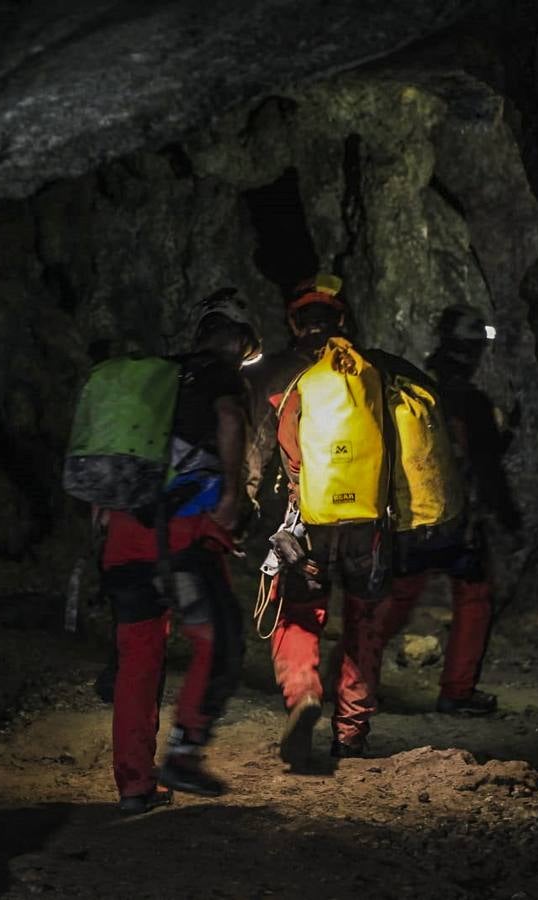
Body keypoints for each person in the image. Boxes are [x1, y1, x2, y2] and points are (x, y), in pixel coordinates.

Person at [100, 288, 259, 813]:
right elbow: (232, 417)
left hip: (125, 534)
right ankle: (185, 752)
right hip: (181, 536)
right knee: (219, 639)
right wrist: (233, 496)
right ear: (238, 340)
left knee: (138, 661)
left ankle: (135, 787)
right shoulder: (219, 372)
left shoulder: (156, 376)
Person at [245, 274, 402, 767]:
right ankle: (351, 733)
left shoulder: (277, 376)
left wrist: (247, 515)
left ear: (295, 324)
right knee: (365, 624)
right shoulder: (374, 370)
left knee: (297, 616)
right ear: (342, 320)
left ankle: (304, 695)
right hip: (367, 527)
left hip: (303, 524)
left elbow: (256, 455)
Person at [383, 305, 523, 715]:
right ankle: (457, 692)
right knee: (474, 596)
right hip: (456, 520)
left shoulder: (417, 390)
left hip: (412, 515)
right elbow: (484, 464)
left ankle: (346, 678)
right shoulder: (471, 401)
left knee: (396, 597)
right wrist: (508, 515)